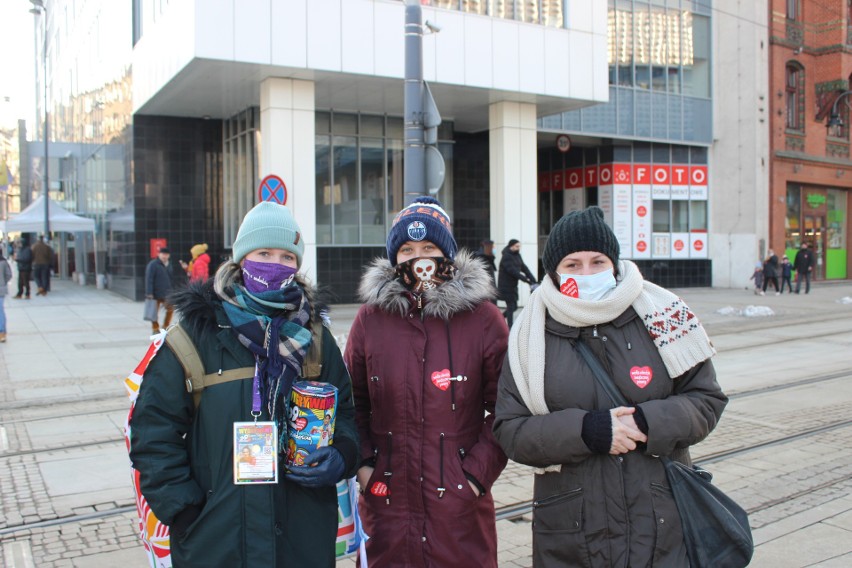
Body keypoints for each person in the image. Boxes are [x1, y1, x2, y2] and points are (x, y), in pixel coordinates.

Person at [493, 206, 727, 567]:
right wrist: (588, 431)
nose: (586, 272)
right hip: (571, 530)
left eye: (597, 261)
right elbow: (511, 429)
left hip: (662, 522)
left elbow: (706, 398)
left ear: (614, 264)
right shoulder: (528, 335)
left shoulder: (664, 313)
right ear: (554, 272)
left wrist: (648, 423)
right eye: (573, 264)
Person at [130, 201, 358, 567]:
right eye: (264, 252)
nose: (275, 264)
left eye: (287, 256)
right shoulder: (194, 336)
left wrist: (342, 455)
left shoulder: (316, 337)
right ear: (240, 258)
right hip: (216, 541)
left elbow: (347, 414)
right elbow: (153, 431)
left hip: (302, 538)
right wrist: (186, 512)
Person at [344, 196, 509, 568]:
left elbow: (507, 407)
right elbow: (350, 402)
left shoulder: (483, 318)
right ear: (394, 257)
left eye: (429, 247)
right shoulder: (370, 319)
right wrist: (365, 466)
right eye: (407, 249)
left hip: (458, 512)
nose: (418, 258)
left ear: (447, 253)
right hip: (387, 506)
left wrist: (474, 477)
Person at [498, 239, 537, 328]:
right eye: (517, 246)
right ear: (511, 246)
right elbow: (513, 271)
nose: (518, 248)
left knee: (514, 306)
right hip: (506, 286)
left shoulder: (517, 255)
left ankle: (499, 318)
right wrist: (526, 280)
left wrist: (533, 280)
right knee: (511, 307)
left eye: (519, 246)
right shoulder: (506, 257)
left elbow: (524, 268)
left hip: (513, 286)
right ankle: (510, 328)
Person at [144, 247, 174, 333]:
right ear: (159, 254)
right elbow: (149, 279)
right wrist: (149, 293)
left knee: (170, 309)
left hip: (167, 293)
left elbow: (171, 278)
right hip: (155, 293)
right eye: (163, 254)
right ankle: (155, 328)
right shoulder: (153, 264)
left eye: (166, 255)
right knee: (153, 313)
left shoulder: (169, 264)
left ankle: (165, 326)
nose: (164, 256)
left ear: (169, 255)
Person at [0, 250, 12, 342]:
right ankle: (2, 333)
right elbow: (9, 275)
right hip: (1, 289)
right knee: (0, 311)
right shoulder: (3, 262)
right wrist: (3, 283)